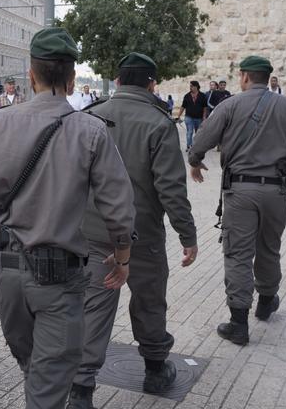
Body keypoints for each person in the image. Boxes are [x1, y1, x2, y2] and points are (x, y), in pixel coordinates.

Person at [0, 28, 136, 409]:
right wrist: (122, 260)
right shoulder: (92, 131)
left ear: (31, 75)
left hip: (7, 277)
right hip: (59, 282)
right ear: (71, 80)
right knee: (49, 383)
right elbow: (119, 209)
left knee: (35, 369)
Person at [68, 53, 198, 408]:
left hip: (91, 230)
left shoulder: (90, 114)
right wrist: (188, 235)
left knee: (94, 306)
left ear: (119, 81)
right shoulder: (158, 123)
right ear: (152, 84)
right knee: (149, 299)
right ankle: (156, 369)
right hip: (142, 232)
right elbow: (171, 189)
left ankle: (81, 389)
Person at [189, 56, 286, 345]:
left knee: (238, 253)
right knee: (269, 247)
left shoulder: (230, 105)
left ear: (243, 77)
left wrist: (194, 160)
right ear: (268, 78)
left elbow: (203, 138)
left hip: (240, 191)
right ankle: (266, 302)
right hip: (277, 190)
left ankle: (238, 324)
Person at [177, 81, 208, 151]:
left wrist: (204, 117)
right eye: (190, 86)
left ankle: (196, 146)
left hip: (199, 118)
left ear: (196, 86)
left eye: (191, 86)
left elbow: (205, 107)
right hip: (189, 117)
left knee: (198, 133)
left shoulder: (202, 95)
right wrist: (178, 116)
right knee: (189, 132)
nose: (190, 87)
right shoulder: (187, 96)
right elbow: (183, 106)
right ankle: (189, 146)